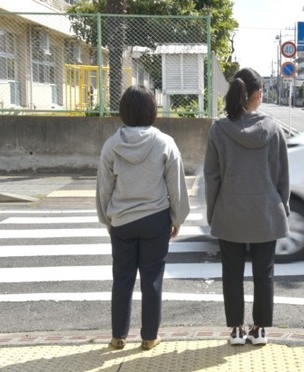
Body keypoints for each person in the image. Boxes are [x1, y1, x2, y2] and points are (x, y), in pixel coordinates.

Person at [96, 85, 190, 351]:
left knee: (122, 278)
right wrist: (177, 218)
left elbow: (104, 187)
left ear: (123, 111)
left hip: (122, 221)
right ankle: (149, 337)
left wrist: (107, 219)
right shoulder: (164, 143)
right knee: (152, 279)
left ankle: (118, 337)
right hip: (155, 220)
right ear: (152, 110)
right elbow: (176, 186)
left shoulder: (112, 145)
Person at [204, 67, 290, 346]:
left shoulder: (219, 129)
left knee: (232, 273)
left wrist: (212, 211)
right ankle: (261, 329)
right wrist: (284, 207)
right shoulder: (274, 129)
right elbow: (282, 176)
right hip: (266, 211)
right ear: (256, 95)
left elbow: (212, 177)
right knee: (264, 273)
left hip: (230, 211)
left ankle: (237, 331)